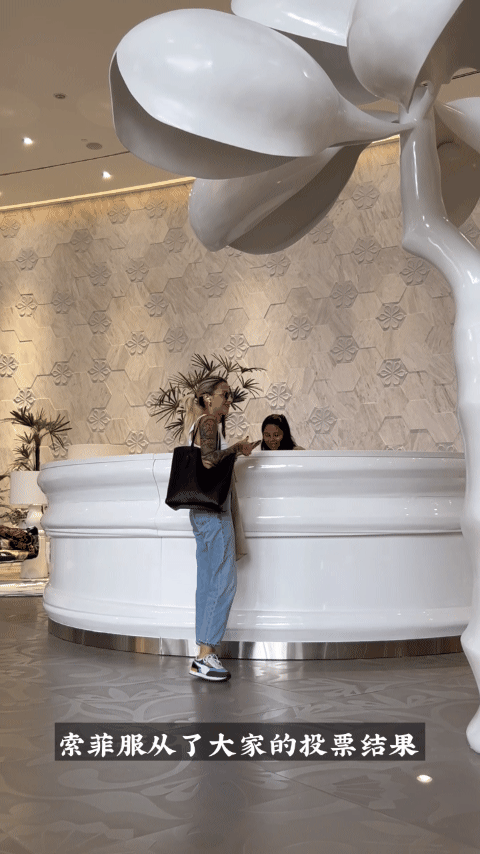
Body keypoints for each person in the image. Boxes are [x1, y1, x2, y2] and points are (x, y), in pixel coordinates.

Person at [186, 375, 256, 682]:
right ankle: (205, 655)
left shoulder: (198, 424)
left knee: (208, 582)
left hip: (202, 513)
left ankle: (202, 653)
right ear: (207, 398)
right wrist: (237, 449)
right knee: (223, 582)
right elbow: (209, 460)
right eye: (224, 395)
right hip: (214, 513)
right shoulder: (208, 423)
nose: (229, 401)